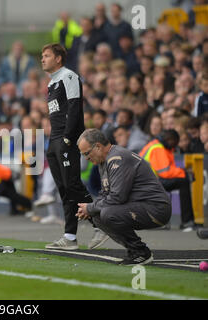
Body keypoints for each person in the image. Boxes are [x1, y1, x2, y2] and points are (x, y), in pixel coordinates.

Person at [76, 128, 171, 265]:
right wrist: (89, 210)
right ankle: (135, 251)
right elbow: (105, 193)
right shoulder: (104, 161)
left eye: (86, 153)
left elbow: (117, 197)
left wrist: (90, 207)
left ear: (97, 146)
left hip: (156, 208)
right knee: (97, 214)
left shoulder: (117, 158)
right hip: (141, 205)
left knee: (107, 213)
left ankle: (141, 253)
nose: (86, 158)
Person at [40, 43, 94, 250]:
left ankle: (100, 223)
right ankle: (70, 237)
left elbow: (74, 108)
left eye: (46, 56)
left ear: (58, 58)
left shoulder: (69, 77)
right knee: (64, 188)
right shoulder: (52, 83)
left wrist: (68, 138)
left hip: (65, 140)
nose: (42, 59)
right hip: (54, 140)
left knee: (72, 185)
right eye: (42, 56)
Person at [139, 129, 196, 231]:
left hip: (145, 181)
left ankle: (184, 222)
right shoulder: (158, 148)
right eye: (174, 142)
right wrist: (184, 172)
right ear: (169, 139)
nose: (175, 145)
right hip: (147, 182)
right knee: (183, 181)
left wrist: (182, 172)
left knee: (183, 179)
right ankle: (187, 222)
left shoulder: (156, 145)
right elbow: (165, 172)